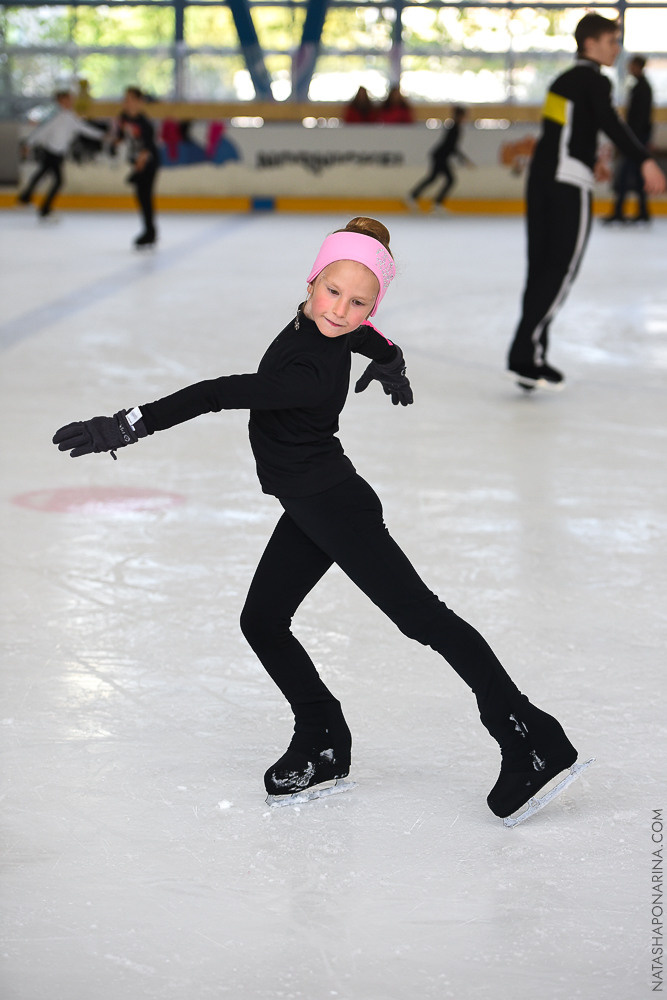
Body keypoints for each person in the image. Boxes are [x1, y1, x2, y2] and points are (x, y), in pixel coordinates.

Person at [53, 216, 581, 821]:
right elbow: (369, 338)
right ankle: (324, 738)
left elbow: (214, 393)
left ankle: (527, 733)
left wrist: (125, 425)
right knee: (264, 620)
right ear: (312, 282)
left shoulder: (308, 366)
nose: (342, 311)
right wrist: (389, 357)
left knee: (422, 619)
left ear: (372, 304)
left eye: (360, 303)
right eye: (334, 293)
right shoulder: (329, 332)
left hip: (335, 508)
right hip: (313, 505)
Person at [507, 14, 666, 392]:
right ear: (591, 43)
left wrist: (589, 157)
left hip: (542, 182)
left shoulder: (562, 81)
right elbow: (610, 122)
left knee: (541, 269)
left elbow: (558, 131)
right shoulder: (595, 80)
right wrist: (644, 159)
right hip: (568, 185)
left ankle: (533, 356)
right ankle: (522, 353)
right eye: (612, 41)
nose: (616, 48)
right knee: (560, 271)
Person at [17, 90, 106, 220]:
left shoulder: (69, 116)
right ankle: (43, 209)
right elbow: (42, 130)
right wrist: (29, 143)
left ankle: (26, 198)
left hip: (56, 154)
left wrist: (101, 135)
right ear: (61, 101)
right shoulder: (57, 116)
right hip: (52, 152)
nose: (71, 101)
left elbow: (83, 128)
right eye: (68, 99)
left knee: (42, 174)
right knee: (58, 181)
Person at [604, 55, 654, 224]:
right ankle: (643, 212)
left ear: (638, 66)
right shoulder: (639, 87)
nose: (628, 68)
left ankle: (619, 212)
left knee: (625, 175)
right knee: (637, 177)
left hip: (636, 139)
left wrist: (631, 141)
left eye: (631, 65)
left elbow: (641, 119)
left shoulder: (642, 88)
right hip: (636, 138)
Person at [112, 86, 159, 248]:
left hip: (149, 163)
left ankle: (150, 232)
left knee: (145, 197)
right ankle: (149, 231)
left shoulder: (145, 123)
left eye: (131, 99)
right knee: (141, 197)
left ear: (139, 102)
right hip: (137, 162)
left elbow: (148, 147)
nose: (127, 103)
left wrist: (140, 163)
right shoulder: (123, 118)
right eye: (125, 99)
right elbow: (120, 136)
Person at [406, 106, 473, 212]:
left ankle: (414, 196)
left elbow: (451, 147)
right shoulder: (455, 128)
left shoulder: (455, 127)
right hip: (440, 157)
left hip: (440, 156)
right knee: (449, 179)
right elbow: (452, 147)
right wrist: (464, 160)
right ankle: (434, 202)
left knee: (434, 178)